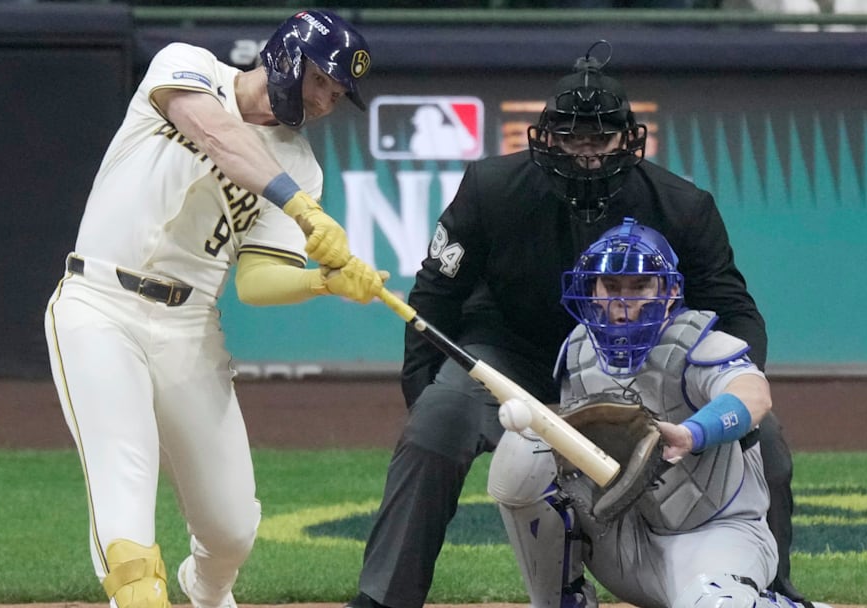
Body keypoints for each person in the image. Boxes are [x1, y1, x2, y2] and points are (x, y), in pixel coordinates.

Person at [346, 41, 804, 608]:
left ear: (627, 139)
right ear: (547, 137)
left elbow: (736, 312)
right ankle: (385, 599)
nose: (586, 153)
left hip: (639, 365)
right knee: (439, 421)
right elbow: (436, 294)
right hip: (515, 356)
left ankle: (768, 586)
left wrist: (728, 399)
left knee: (770, 442)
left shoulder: (684, 206)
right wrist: (422, 395)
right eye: (572, 138)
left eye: (600, 138)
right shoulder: (491, 190)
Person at [43, 10, 386, 608]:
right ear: (285, 55)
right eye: (321, 81)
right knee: (129, 540)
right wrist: (304, 211)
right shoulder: (188, 65)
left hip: (189, 331)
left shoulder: (300, 164)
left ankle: (206, 590)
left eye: (338, 94)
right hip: (97, 306)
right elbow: (214, 134)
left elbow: (255, 281)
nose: (327, 101)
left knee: (231, 530)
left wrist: (323, 284)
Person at [487, 218, 828, 608]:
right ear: (592, 288)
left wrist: (694, 433)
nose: (623, 302)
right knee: (524, 448)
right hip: (624, 541)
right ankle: (562, 602)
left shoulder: (699, 343)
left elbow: (754, 396)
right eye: (611, 286)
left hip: (715, 537)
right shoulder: (580, 351)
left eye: (639, 286)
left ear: (669, 292)